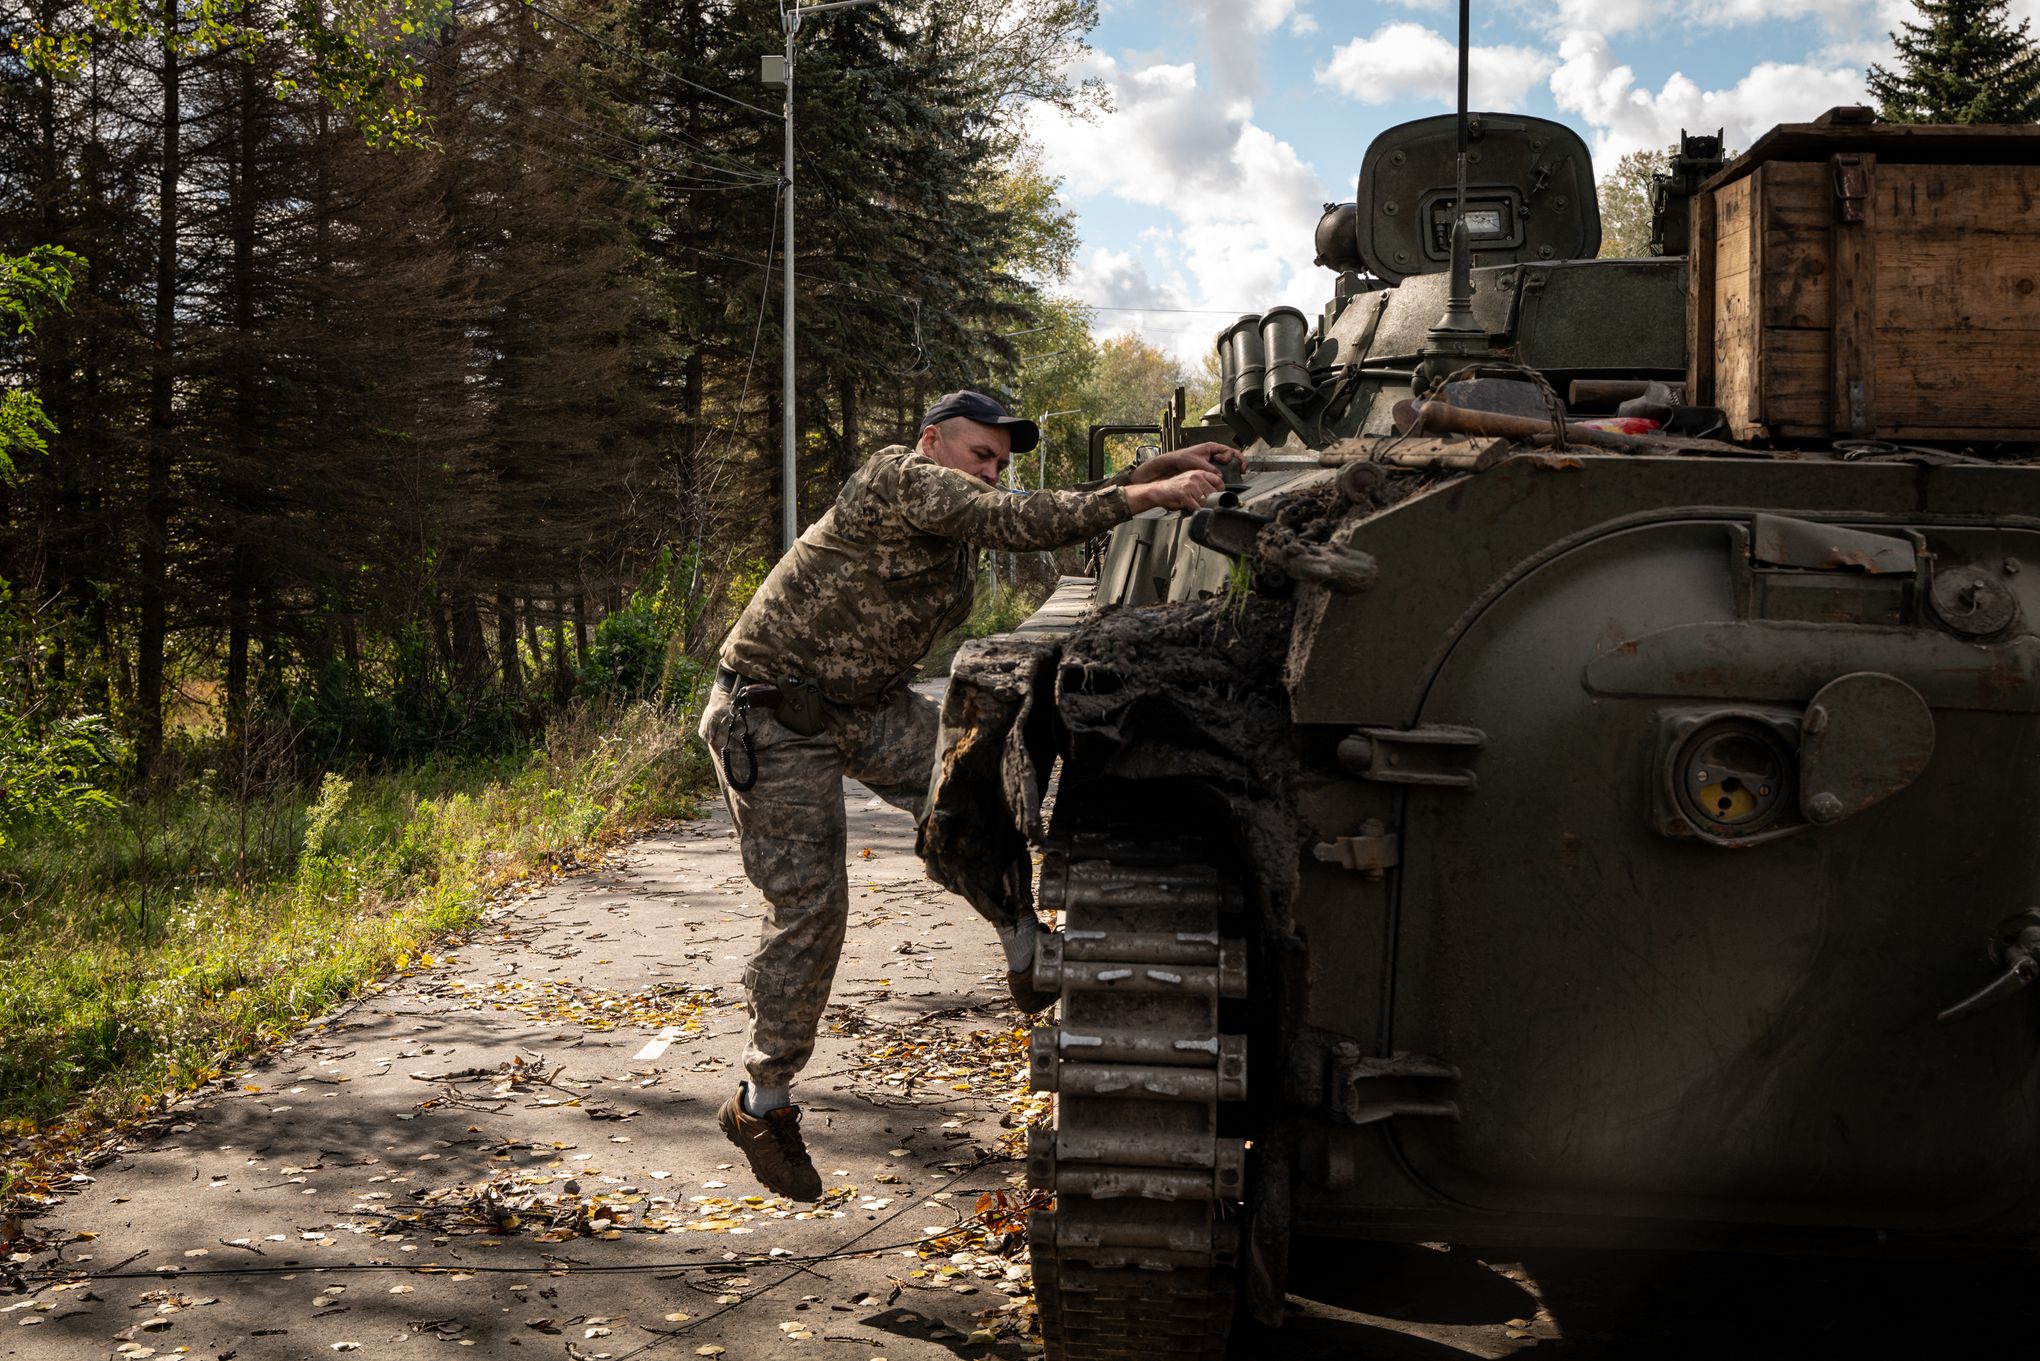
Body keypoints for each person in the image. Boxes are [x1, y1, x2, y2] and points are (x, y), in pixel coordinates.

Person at [697, 389, 1242, 1200]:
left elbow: (1027, 511)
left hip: (863, 706)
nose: (993, 472)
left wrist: (1152, 469)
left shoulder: (951, 514)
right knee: (812, 907)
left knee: (973, 791)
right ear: (932, 442)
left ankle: (1024, 944)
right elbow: (1019, 519)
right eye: (981, 456)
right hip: (773, 714)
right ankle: (761, 1100)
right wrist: (1146, 495)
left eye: (1001, 461)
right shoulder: (897, 479)